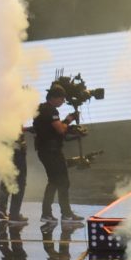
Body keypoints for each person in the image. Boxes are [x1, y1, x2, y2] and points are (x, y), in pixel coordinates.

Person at [33, 85, 78, 228]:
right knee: (61, 182)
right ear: (54, 98)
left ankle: (54, 213)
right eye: (62, 98)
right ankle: (64, 214)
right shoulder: (50, 110)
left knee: (55, 182)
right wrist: (68, 120)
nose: (64, 101)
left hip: (46, 151)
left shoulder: (41, 108)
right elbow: (60, 129)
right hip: (51, 152)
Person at [0, 132, 28, 228]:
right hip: (16, 150)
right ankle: (14, 214)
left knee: (7, 177)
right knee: (19, 182)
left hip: (5, 150)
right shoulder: (15, 118)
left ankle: (2, 207)